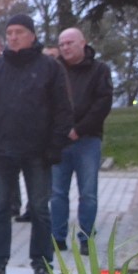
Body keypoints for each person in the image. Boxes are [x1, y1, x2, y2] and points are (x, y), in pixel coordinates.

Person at [0, 15, 72, 274]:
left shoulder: (50, 68)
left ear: (32, 35)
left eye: (19, 32)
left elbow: (63, 110)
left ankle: (42, 266)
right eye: (10, 33)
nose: (13, 37)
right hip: (1, 151)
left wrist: (55, 146)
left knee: (39, 209)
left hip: (38, 152)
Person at [51, 27, 113, 256]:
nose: (65, 47)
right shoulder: (54, 70)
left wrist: (79, 129)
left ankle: (86, 237)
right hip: (60, 141)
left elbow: (102, 103)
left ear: (83, 43)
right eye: (62, 44)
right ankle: (57, 237)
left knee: (88, 192)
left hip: (87, 139)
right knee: (57, 193)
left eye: (70, 43)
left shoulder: (99, 70)